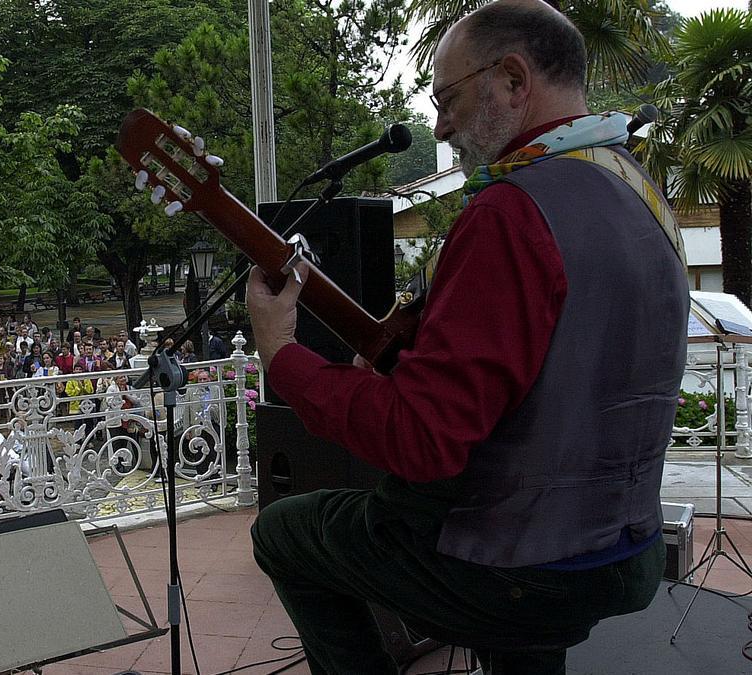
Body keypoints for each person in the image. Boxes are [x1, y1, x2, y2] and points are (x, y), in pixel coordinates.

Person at [244, 2, 688, 673]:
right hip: (629, 547)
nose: (439, 125)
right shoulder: (643, 194)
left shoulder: (513, 211)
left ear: (514, 79)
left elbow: (424, 441)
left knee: (285, 530)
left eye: (448, 99)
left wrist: (284, 356)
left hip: (527, 563)